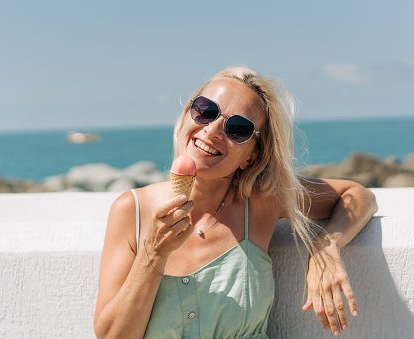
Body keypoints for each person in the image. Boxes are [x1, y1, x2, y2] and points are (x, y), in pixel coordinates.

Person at [93, 67, 378, 338]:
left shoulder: (261, 204)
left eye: (238, 128)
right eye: (205, 110)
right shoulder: (132, 211)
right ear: (186, 115)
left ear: (251, 156)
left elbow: (358, 195)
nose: (213, 129)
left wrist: (325, 246)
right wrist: (153, 254)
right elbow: (112, 336)